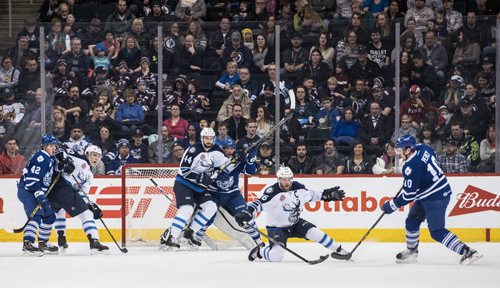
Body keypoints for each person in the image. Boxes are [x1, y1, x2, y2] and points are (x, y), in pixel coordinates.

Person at [381, 134, 482, 265]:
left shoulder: (410, 167)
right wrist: (419, 177)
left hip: (436, 197)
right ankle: (412, 252)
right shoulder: (422, 148)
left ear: (408, 149)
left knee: (436, 231)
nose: (398, 153)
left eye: (400, 150)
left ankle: (468, 252)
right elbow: (432, 156)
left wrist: (392, 205)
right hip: (429, 194)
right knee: (412, 221)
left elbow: (409, 195)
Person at [234, 166, 349, 262]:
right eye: (284, 179)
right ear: (278, 179)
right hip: (277, 229)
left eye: (289, 179)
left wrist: (327, 196)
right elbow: (258, 203)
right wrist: (247, 212)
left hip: (295, 223)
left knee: (315, 232)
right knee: (276, 257)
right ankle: (261, 251)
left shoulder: (298, 187)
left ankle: (340, 251)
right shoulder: (272, 192)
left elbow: (311, 195)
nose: (287, 182)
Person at [160, 128, 228, 249]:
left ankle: (191, 232)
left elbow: (223, 166)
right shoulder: (193, 150)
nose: (208, 141)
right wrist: (200, 178)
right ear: (202, 139)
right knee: (187, 209)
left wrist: (238, 157)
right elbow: (184, 170)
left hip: (199, 188)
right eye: (206, 138)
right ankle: (172, 237)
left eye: (211, 138)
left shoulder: (217, 150)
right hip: (184, 183)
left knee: (211, 207)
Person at [188, 138, 262, 248]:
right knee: (208, 216)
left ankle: (259, 242)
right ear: (222, 149)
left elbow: (249, 172)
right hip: (213, 193)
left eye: (232, 148)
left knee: (245, 216)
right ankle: (195, 237)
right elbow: (203, 172)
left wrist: (250, 160)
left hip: (232, 194)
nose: (229, 150)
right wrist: (214, 173)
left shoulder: (240, 159)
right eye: (227, 148)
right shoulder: (214, 157)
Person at [50, 147, 109, 253]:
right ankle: (94, 241)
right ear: (87, 154)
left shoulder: (90, 175)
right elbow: (60, 152)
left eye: (98, 156)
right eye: (94, 154)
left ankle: (61, 239)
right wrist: (63, 163)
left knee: (60, 211)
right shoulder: (78, 159)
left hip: (57, 192)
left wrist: (90, 204)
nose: (96, 158)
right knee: (86, 213)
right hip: (59, 186)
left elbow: (82, 193)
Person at [17, 134, 59, 256]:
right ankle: (28, 244)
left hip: (36, 191)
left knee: (49, 216)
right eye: (51, 146)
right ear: (44, 146)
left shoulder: (49, 158)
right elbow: (31, 180)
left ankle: (43, 243)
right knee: (36, 215)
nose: (54, 148)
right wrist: (40, 196)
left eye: (54, 146)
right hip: (28, 190)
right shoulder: (41, 157)